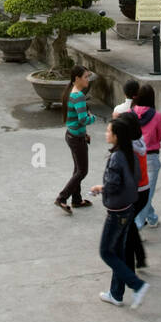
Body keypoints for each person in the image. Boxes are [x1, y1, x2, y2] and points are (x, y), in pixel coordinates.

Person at [90, 118, 149, 308]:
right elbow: (136, 177)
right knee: (119, 252)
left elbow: (113, 185)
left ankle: (137, 285)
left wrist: (100, 187)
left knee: (106, 252)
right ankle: (116, 293)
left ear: (116, 136)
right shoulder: (129, 153)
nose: (106, 134)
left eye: (108, 131)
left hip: (117, 212)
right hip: (128, 208)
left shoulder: (117, 157)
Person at [55, 65, 97, 214]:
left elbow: (74, 119)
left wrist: (84, 133)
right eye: (85, 77)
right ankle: (62, 197)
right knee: (82, 171)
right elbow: (83, 119)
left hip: (72, 135)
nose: (88, 79)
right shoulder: (78, 96)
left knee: (77, 169)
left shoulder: (70, 92)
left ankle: (77, 199)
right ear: (77, 78)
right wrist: (93, 118)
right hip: (76, 139)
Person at [118, 112, 150, 270]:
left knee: (126, 229)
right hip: (144, 190)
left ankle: (129, 268)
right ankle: (141, 257)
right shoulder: (139, 141)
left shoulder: (129, 149)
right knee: (129, 226)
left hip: (134, 192)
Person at [131, 85, 161, 232]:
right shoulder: (157, 116)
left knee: (142, 193)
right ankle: (137, 226)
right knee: (146, 194)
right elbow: (160, 136)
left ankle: (151, 217)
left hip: (133, 157)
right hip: (151, 156)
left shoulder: (130, 113)